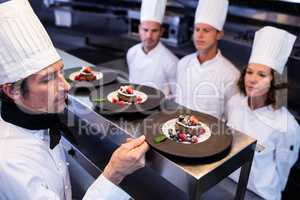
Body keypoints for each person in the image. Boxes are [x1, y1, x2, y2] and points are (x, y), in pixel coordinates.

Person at [0, 0, 149, 199]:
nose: (66, 86)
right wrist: (115, 171)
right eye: (48, 79)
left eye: (61, 72)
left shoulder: (39, 118)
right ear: (12, 90)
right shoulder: (9, 163)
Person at [226, 26, 300, 200]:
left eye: (262, 75)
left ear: (275, 80)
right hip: (227, 184)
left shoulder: (287, 126)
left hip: (260, 195)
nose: (252, 79)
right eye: (249, 72)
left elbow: (283, 171)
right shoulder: (234, 103)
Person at [175, 0, 240, 119]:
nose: (199, 36)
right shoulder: (183, 63)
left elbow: (232, 119)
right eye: (197, 29)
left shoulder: (231, 75)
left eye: (206, 30)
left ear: (219, 34)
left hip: (212, 136)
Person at [126, 0, 179, 97]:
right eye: (145, 30)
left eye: (154, 31)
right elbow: (131, 85)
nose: (149, 36)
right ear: (139, 29)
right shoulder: (131, 52)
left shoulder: (172, 62)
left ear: (161, 32)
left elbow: (177, 97)